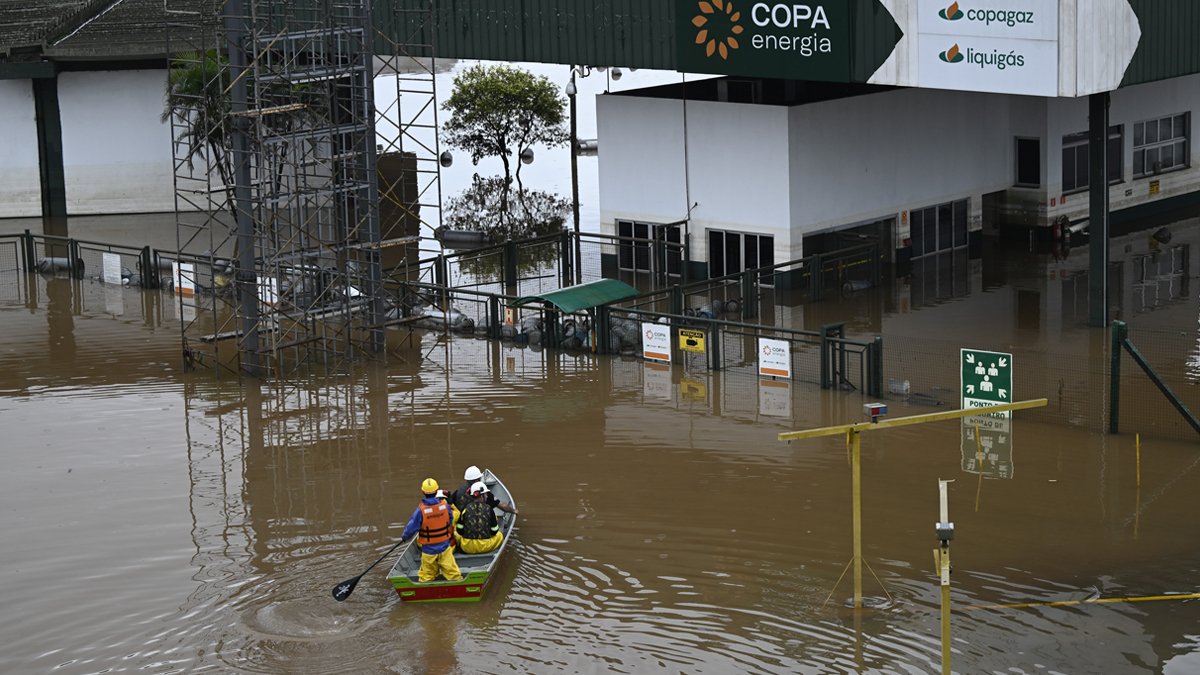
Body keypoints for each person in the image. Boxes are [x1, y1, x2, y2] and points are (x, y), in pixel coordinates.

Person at [399, 478, 462, 583]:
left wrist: (405, 537)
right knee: (453, 573)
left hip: (428, 550)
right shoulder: (445, 506)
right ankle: (458, 584)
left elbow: (411, 528)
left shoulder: (420, 511)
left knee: (427, 575)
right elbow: (450, 520)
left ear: (423, 492)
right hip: (445, 547)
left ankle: (425, 589)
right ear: (437, 491)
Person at [455, 481, 504, 554]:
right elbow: (494, 530)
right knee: (500, 535)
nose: (487, 496)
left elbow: (459, 530)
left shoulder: (465, 509)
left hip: (467, 547)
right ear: (482, 496)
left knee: (456, 535)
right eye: (485, 494)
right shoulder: (489, 509)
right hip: (485, 546)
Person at [450, 465, 519, 516]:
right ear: (476, 480)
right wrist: (514, 511)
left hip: (464, 524)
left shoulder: (458, 491)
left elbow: (450, 505)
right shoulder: (483, 494)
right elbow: (503, 506)